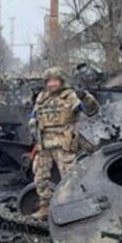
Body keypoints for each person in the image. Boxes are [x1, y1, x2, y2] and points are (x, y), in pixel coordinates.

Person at [30, 65, 100, 220]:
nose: (51, 84)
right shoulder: (42, 97)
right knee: (40, 178)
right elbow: (34, 115)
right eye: (49, 81)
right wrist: (32, 124)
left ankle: (72, 208)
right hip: (44, 144)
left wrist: (86, 97)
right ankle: (45, 208)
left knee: (69, 179)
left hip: (64, 144)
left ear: (61, 81)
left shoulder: (70, 96)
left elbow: (91, 110)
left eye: (55, 81)